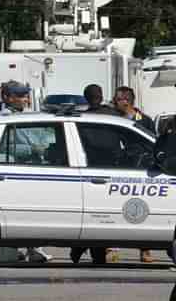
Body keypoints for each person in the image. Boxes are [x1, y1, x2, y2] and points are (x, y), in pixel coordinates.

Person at [0, 80, 53, 263]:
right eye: (20, 95)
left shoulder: (31, 114)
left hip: (28, 168)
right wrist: (30, 150)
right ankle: (14, 250)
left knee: (31, 209)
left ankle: (34, 249)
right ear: (6, 97)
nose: (25, 99)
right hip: (4, 170)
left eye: (26, 95)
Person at [70, 84, 122, 265]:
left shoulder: (85, 116)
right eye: (94, 94)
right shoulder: (112, 116)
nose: (96, 97)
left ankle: (84, 248)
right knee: (102, 215)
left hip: (97, 171)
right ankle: (92, 251)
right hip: (103, 171)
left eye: (96, 94)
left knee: (99, 215)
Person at [113, 85, 155, 263]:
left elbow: (152, 143)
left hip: (140, 171)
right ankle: (111, 249)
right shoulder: (114, 120)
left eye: (117, 99)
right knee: (115, 209)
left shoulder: (144, 120)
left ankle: (145, 250)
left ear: (126, 101)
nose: (115, 103)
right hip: (119, 170)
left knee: (141, 210)